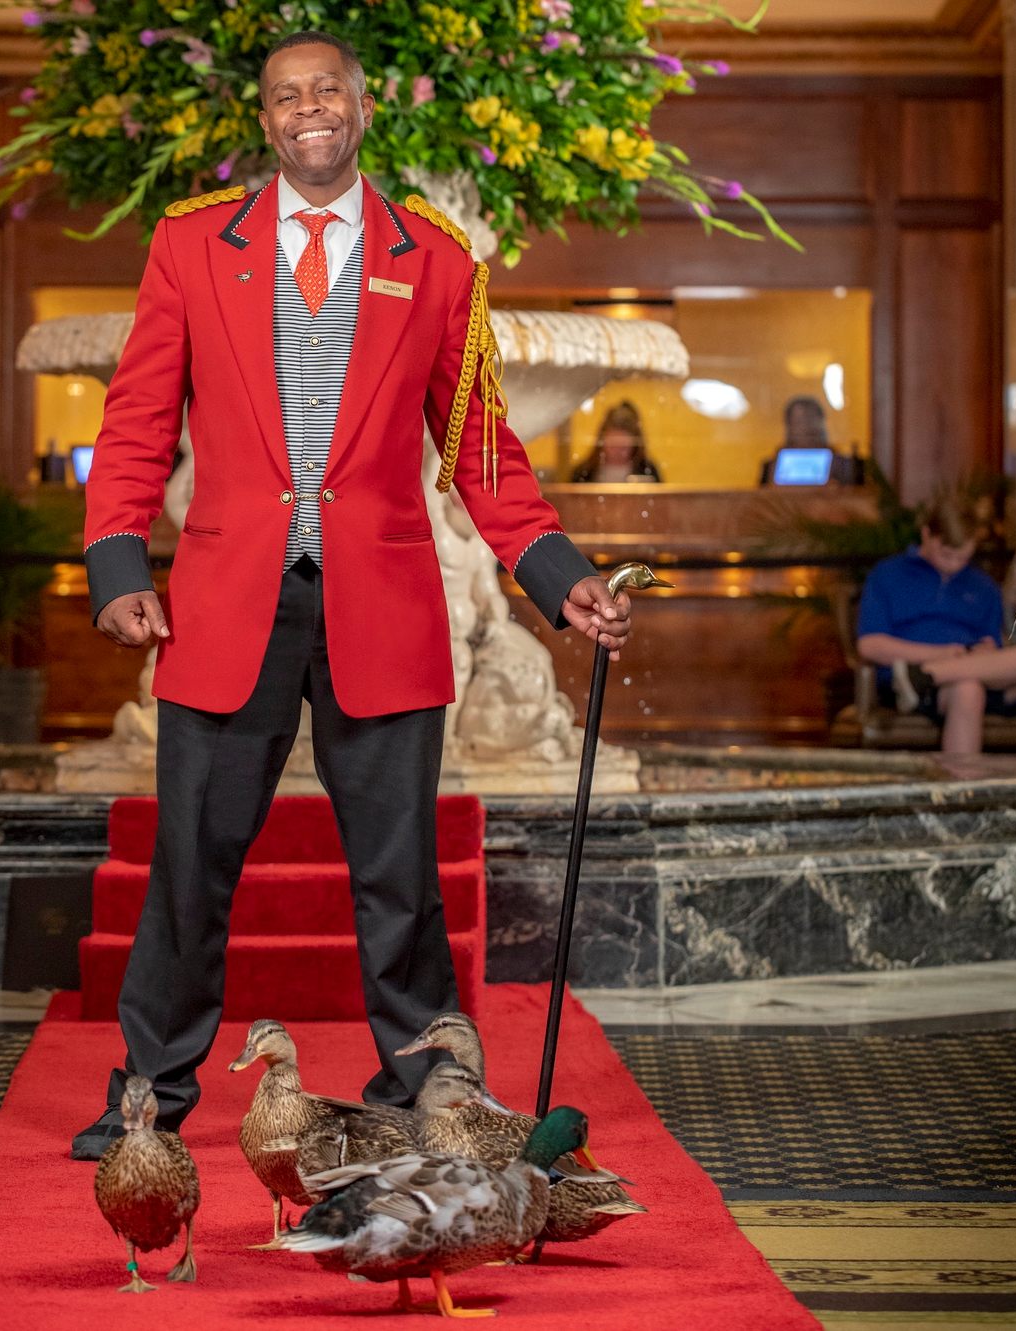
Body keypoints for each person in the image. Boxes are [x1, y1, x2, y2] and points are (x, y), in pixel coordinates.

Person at [72, 31, 634, 1160]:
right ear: (266, 121)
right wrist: (118, 562)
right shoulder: (190, 247)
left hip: (379, 605)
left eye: (326, 89)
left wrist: (558, 576)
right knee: (190, 862)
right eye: (287, 96)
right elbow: (135, 422)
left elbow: (481, 448)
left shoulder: (438, 261)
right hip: (229, 603)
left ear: (362, 107)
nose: (308, 109)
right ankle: (150, 1094)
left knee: (399, 876)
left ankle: (420, 1080)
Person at [856, 497, 1016, 756]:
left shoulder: (983, 585)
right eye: (946, 555)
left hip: (984, 677)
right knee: (967, 689)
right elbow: (870, 645)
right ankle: (961, 793)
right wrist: (939, 654)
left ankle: (930, 673)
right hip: (913, 685)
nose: (954, 565)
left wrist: (986, 652)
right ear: (927, 534)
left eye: (962, 558)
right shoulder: (888, 575)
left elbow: (993, 648)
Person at [758, 395, 860, 486]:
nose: (805, 427)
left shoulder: (843, 465)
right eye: (799, 422)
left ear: (821, 423)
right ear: (789, 426)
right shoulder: (770, 467)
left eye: (810, 420)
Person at [571, 400, 661, 483]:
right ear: (602, 442)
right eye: (612, 446)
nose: (617, 452)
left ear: (634, 446)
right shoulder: (584, 473)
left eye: (623, 447)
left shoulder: (647, 471)